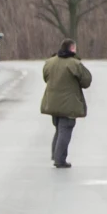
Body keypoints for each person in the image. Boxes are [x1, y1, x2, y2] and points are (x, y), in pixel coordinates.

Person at [40, 39, 92, 168]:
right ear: (72, 49)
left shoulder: (49, 62)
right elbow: (86, 81)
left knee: (59, 129)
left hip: (52, 102)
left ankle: (55, 154)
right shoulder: (74, 64)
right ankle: (60, 159)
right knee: (65, 130)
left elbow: (46, 78)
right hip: (69, 104)